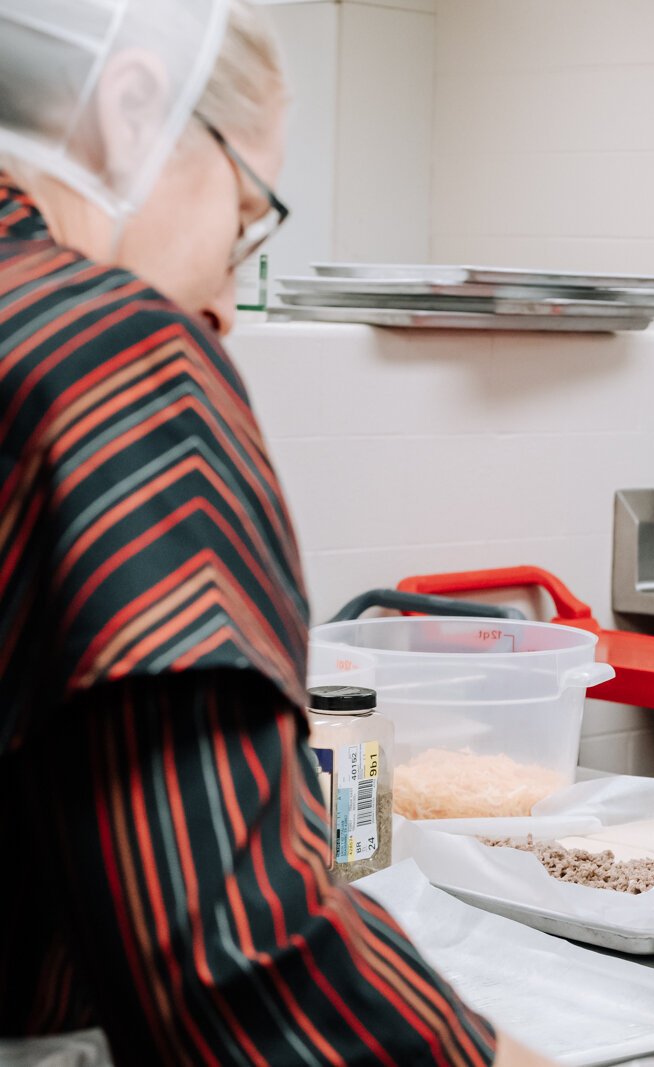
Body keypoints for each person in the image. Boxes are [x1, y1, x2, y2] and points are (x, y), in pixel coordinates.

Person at [0, 2, 552, 1063]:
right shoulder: (107, 361)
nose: (228, 304)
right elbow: (234, 961)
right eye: (247, 213)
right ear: (128, 109)